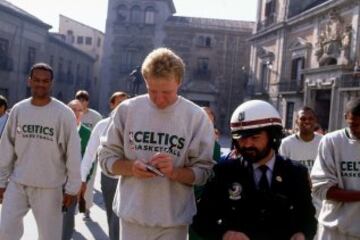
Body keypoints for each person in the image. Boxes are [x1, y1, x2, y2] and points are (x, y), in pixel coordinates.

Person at [98, 47, 215, 240]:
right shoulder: (127, 111)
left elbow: (205, 172)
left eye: (167, 92)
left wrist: (174, 172)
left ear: (179, 82)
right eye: (152, 91)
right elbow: (105, 158)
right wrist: (131, 168)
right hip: (132, 216)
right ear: (145, 82)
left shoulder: (195, 117)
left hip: (173, 221)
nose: (159, 99)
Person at [192, 100, 317, 240]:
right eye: (241, 139)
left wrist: (302, 234)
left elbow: (308, 219)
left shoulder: (295, 173)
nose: (247, 144)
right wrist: (225, 234)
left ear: (273, 137)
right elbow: (201, 219)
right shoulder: (224, 172)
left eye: (254, 138)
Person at [0, 63, 81, 240]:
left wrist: (72, 188)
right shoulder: (19, 110)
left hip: (50, 187)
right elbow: (6, 148)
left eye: (45, 81)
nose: (40, 84)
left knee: (49, 237)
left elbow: (73, 153)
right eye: (36, 80)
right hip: (18, 182)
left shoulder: (64, 114)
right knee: (5, 232)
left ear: (51, 83)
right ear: (29, 81)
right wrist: (1, 181)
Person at [81, 91, 128, 240]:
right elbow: (90, 153)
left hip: (129, 179)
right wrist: (82, 179)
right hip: (109, 179)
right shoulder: (102, 125)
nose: (123, 107)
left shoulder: (134, 125)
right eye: (120, 103)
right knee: (112, 218)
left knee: (125, 218)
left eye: (126, 103)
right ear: (112, 105)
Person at [311, 98, 360, 239]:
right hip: (334, 230)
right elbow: (322, 190)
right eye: (354, 124)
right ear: (346, 117)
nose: (359, 130)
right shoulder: (331, 141)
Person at [62, 99, 91, 240]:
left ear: (83, 113)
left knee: (67, 216)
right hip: (54, 180)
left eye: (79, 110)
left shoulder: (87, 133)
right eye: (72, 109)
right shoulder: (60, 128)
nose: (75, 113)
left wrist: (84, 181)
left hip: (74, 182)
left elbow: (89, 159)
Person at [279, 106, 323, 172]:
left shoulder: (323, 141)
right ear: (297, 122)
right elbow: (282, 169)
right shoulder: (286, 143)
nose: (307, 121)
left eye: (310, 118)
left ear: (315, 121)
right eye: (303, 119)